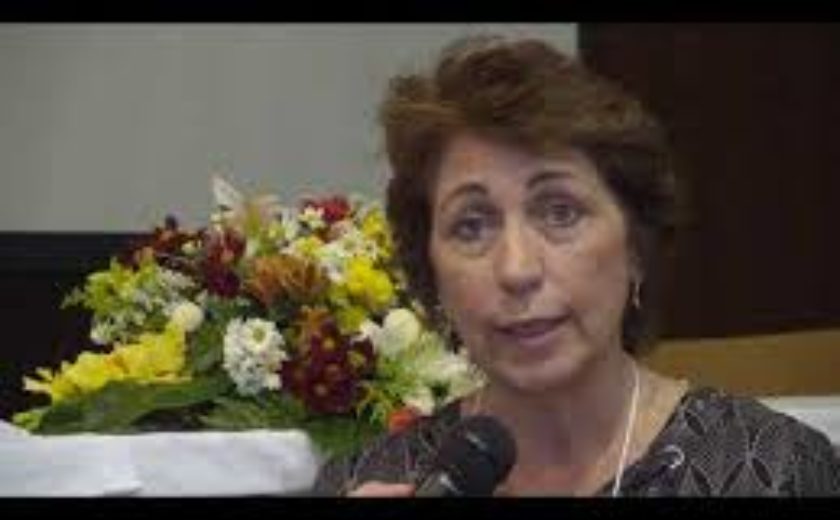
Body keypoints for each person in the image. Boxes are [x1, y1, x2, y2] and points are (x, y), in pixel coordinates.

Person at [311, 35, 840, 496]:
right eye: (471, 226)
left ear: (636, 246)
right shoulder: (368, 480)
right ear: (432, 275)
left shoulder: (776, 470)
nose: (517, 269)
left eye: (560, 212)